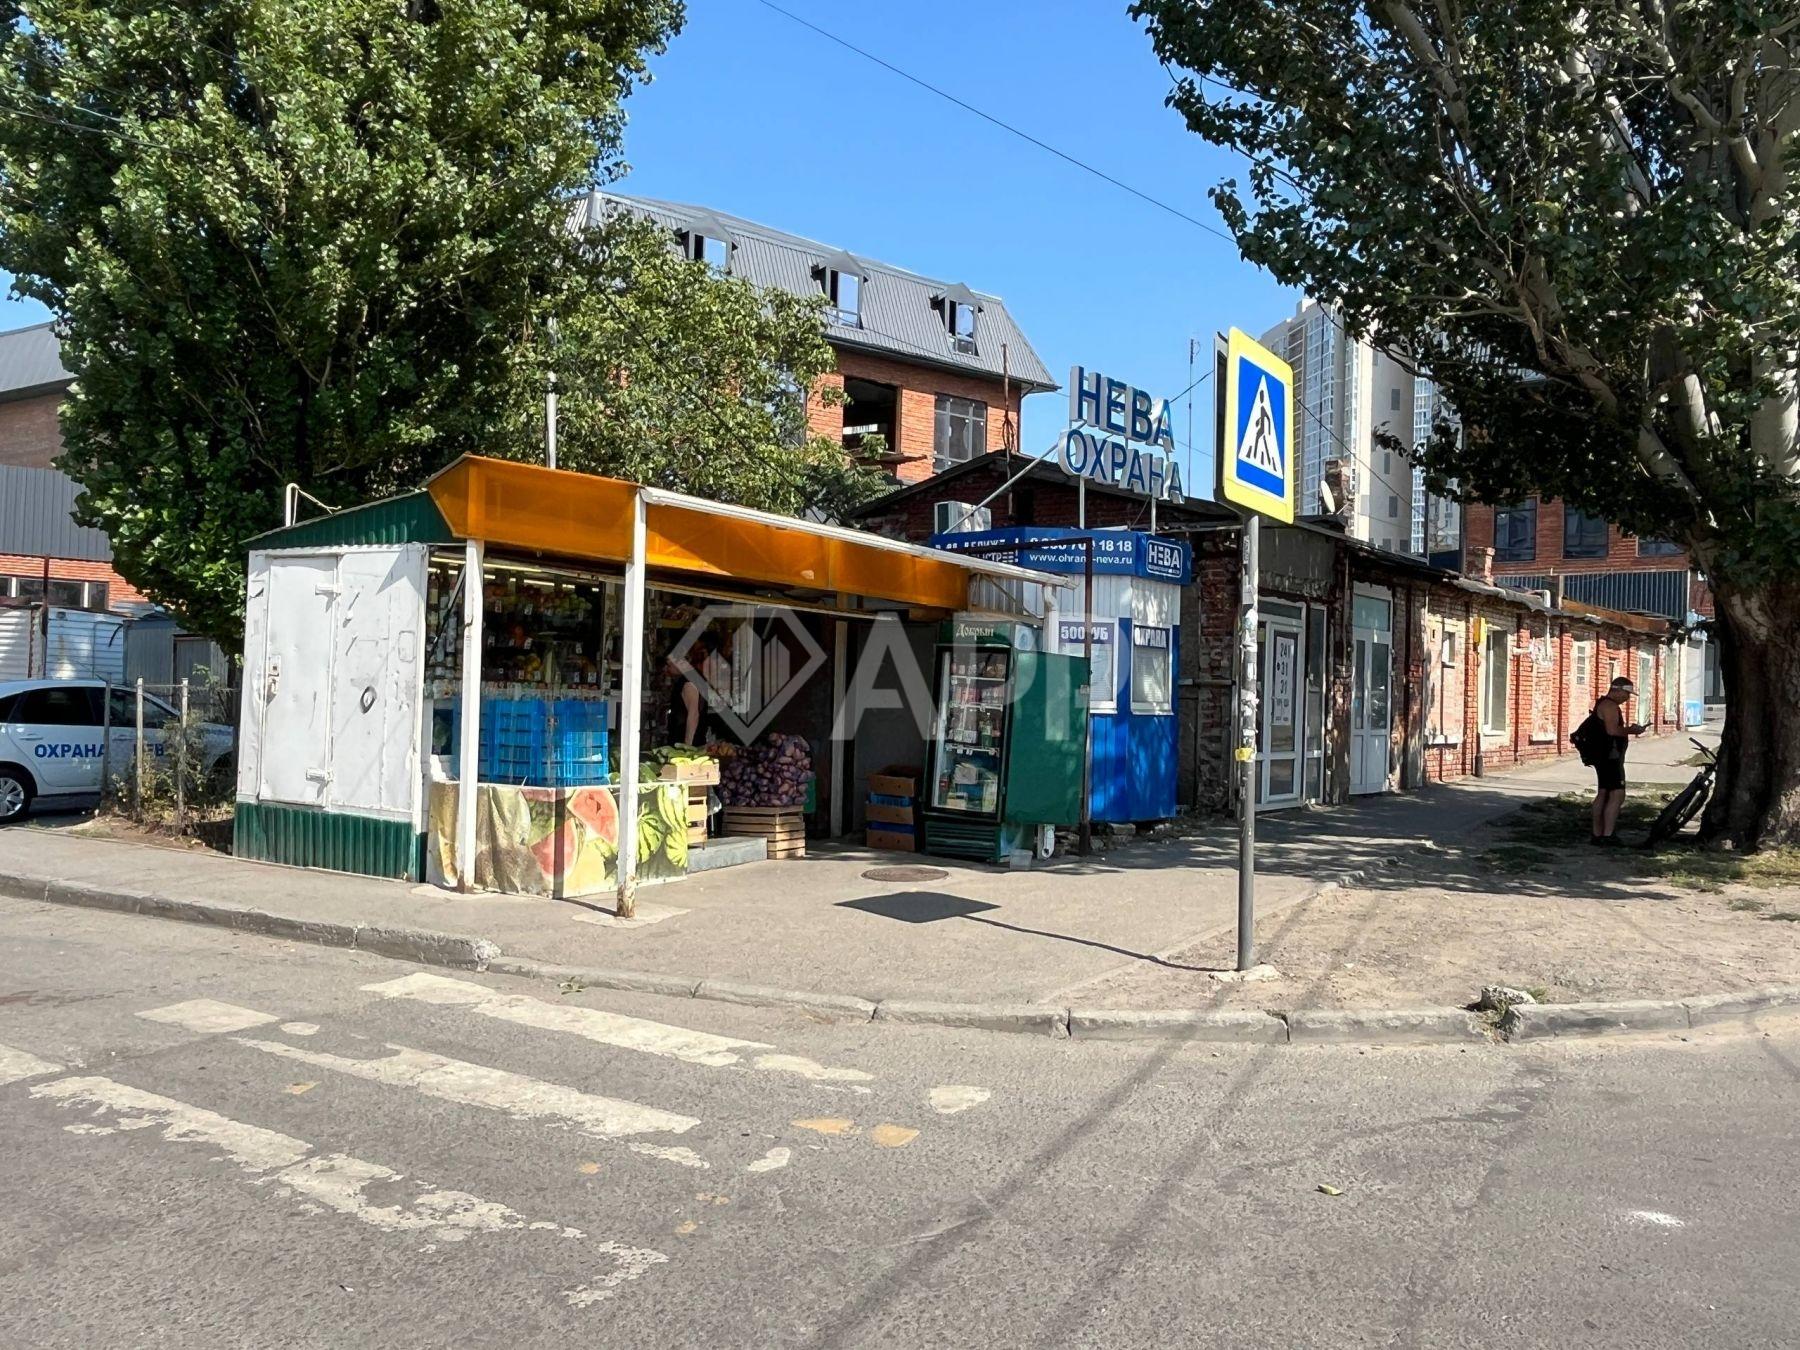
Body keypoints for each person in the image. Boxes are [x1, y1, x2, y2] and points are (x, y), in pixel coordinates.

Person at [1589, 676, 1647, 846]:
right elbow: (1612, 730)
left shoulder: (1603, 704)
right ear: (1618, 690)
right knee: (1617, 794)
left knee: (1604, 793)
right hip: (1610, 757)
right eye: (1626, 694)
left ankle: (1598, 834)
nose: (1627, 698)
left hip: (1605, 756)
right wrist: (1631, 730)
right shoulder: (1610, 706)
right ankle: (1607, 835)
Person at [664, 633, 723, 747]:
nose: (667, 669)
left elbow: (693, 714)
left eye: (669, 665)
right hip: (692, 741)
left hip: (685, 743)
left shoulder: (688, 682)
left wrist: (687, 747)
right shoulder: (696, 677)